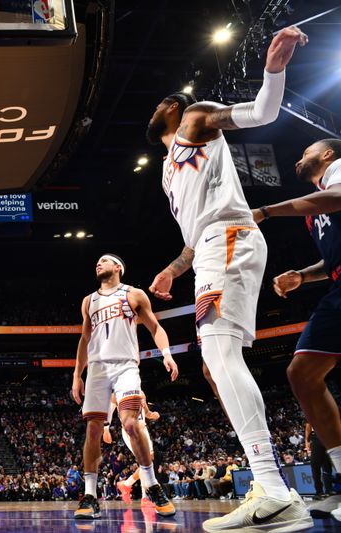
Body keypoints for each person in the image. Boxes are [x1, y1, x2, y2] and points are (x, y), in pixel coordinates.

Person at [145, 25, 312, 532]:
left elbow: (262, 112)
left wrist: (274, 69)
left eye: (166, 99)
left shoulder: (196, 119)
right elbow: (194, 237)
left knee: (219, 355)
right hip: (213, 250)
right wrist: (173, 269)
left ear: (176, 108)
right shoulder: (168, 173)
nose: (161, 102)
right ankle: (271, 487)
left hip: (231, 242)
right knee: (217, 362)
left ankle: (275, 489)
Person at [252, 138, 341, 522]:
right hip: (337, 287)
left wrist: (267, 211)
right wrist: (303, 276)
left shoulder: (337, 175)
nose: (297, 160)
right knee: (302, 373)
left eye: (305, 153)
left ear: (327, 155)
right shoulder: (318, 200)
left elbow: (335, 199)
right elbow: (332, 256)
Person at [72, 254, 178, 519]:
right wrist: (77, 374)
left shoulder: (133, 294)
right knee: (94, 429)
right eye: (96, 261)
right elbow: (85, 339)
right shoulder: (89, 301)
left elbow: (155, 327)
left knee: (131, 424)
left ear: (118, 267)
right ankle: (90, 495)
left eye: (104, 261)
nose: (98, 263)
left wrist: (166, 353)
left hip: (126, 365)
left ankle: (152, 485)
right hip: (97, 368)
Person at [104, 391, 160, 499]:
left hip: (143, 429)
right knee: (145, 462)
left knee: (149, 461)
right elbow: (108, 413)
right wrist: (106, 429)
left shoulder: (141, 392)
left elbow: (146, 413)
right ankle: (145, 497)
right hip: (130, 430)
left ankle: (126, 484)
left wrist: (152, 415)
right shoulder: (116, 394)